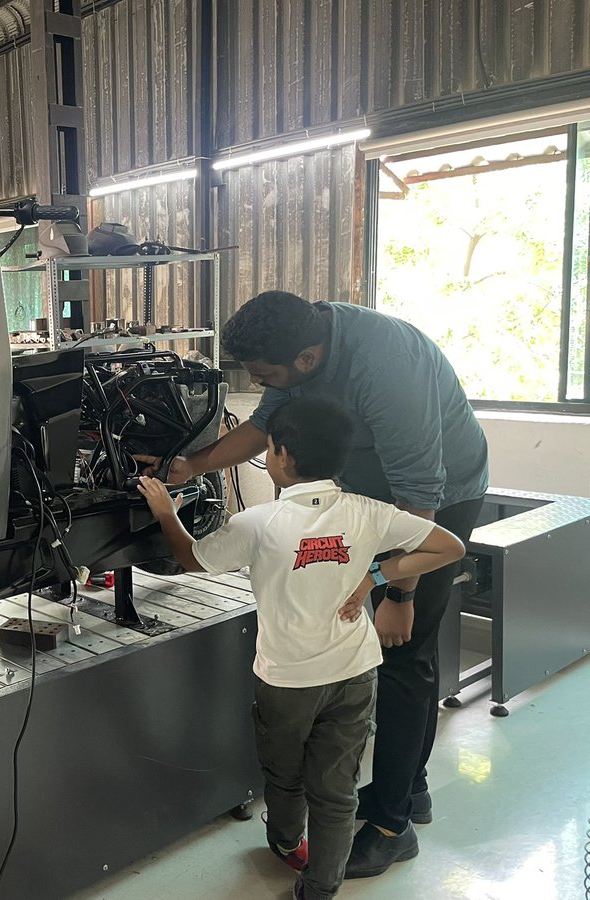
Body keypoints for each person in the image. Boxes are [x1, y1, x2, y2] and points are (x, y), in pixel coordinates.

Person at [138, 291, 488, 877]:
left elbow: (420, 494)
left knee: (402, 656)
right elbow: (265, 424)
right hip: (372, 491)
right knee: (393, 651)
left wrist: (395, 593)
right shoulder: (302, 338)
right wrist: (195, 465)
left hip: (437, 499)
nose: (260, 382)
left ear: (306, 359)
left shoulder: (385, 368)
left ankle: (390, 826)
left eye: (265, 374)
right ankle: (410, 786)